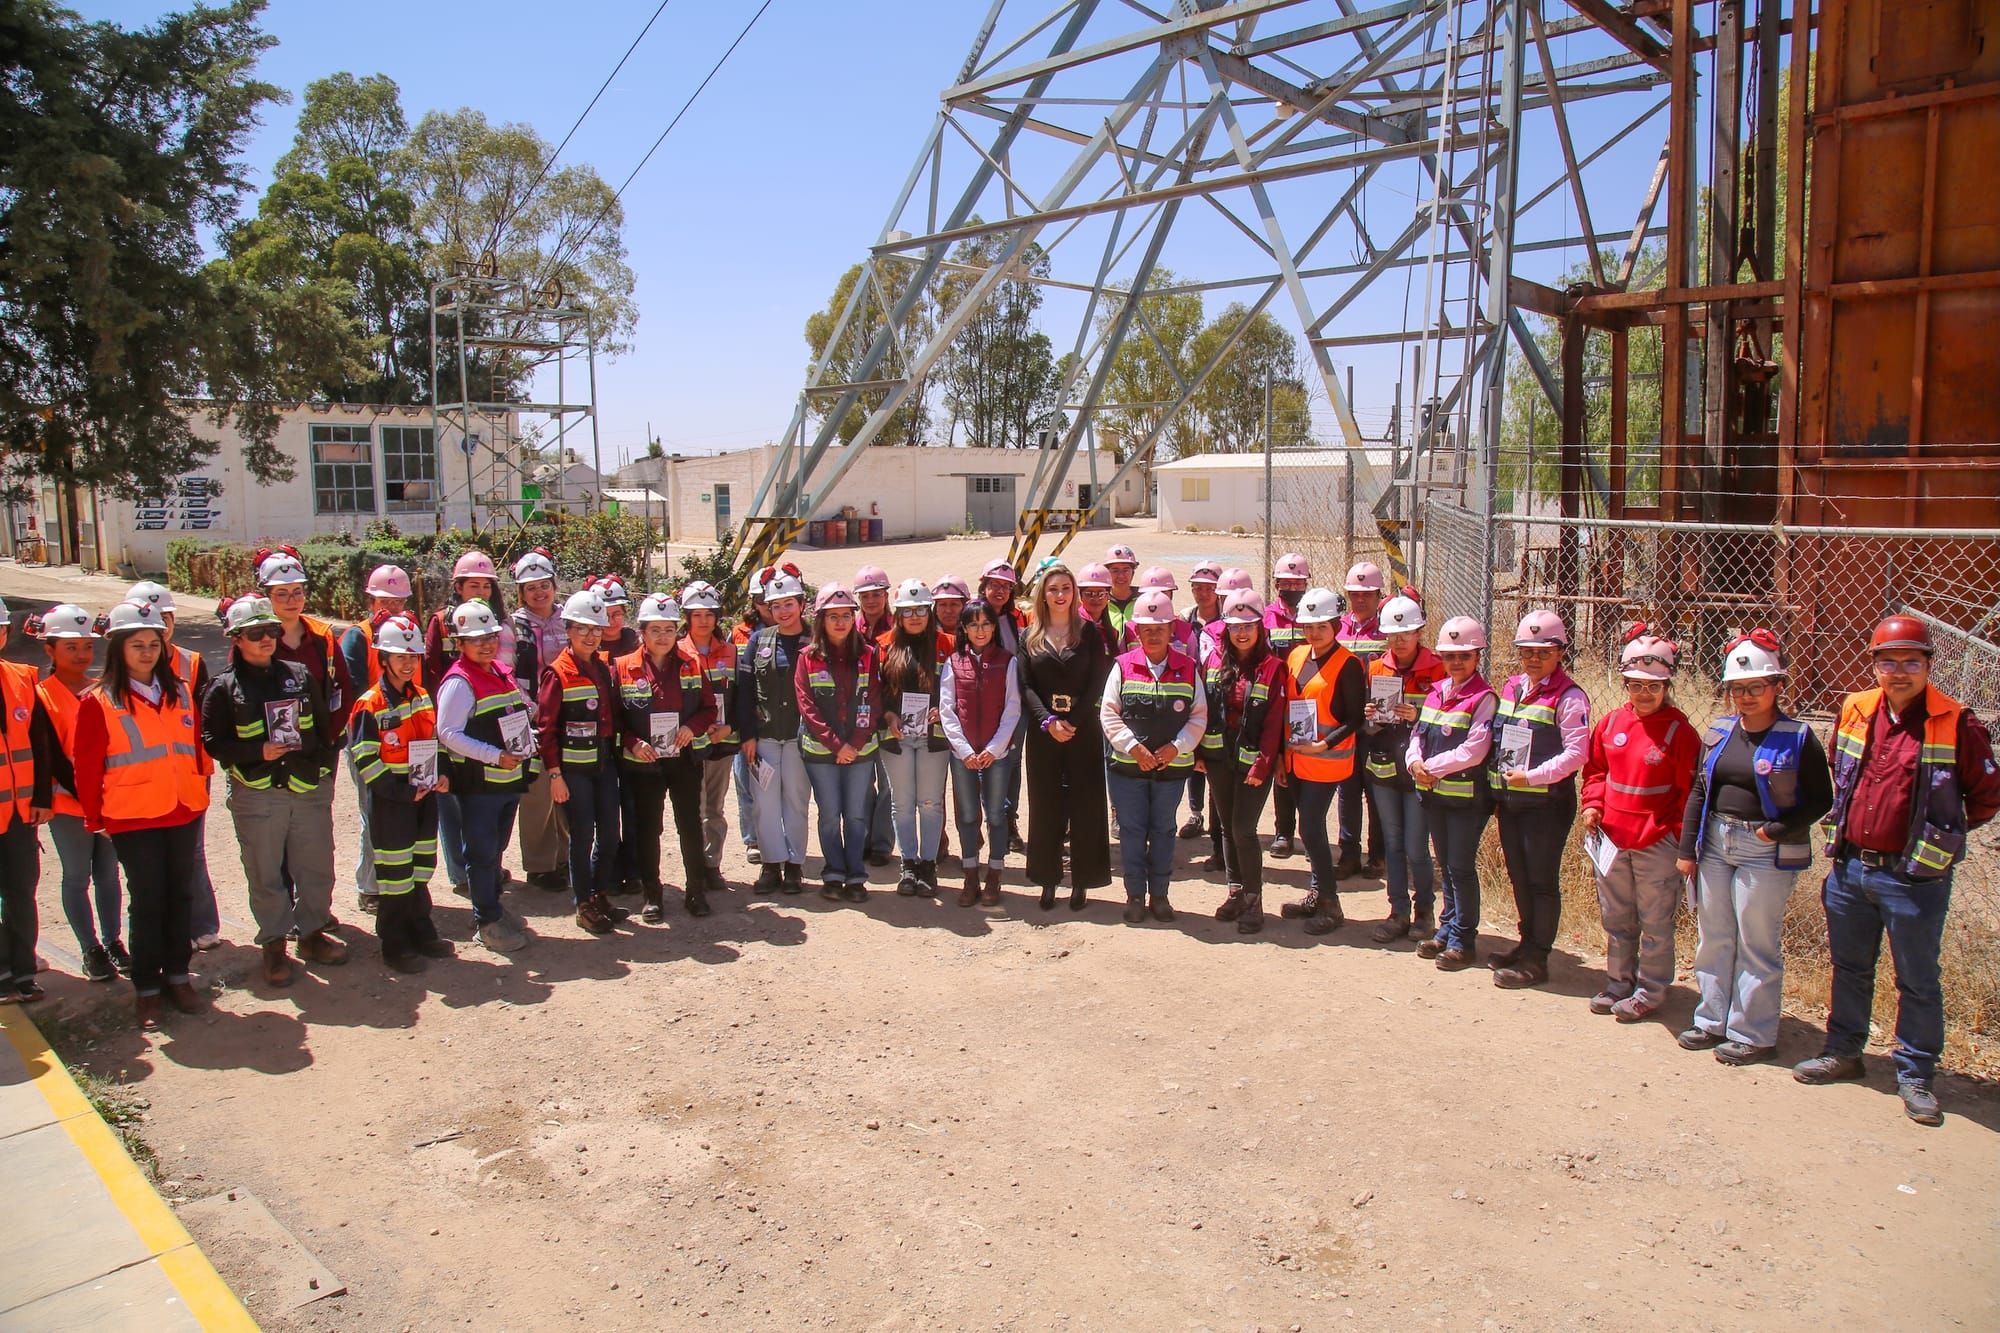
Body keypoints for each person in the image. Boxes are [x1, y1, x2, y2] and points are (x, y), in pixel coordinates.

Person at [1794, 615, 2000, 1125]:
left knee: (1917, 978)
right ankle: (1844, 1052)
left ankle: (1915, 1073)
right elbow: (1842, 779)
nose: (1899, 671)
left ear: (1929, 664)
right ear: (1876, 665)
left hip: (1914, 878)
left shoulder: (1958, 722)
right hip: (1851, 869)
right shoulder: (1856, 709)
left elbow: (1986, 798)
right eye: (1888, 661)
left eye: (1911, 661)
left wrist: (1940, 835)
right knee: (1850, 967)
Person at [1673, 630, 1833, 1063]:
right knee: (1715, 935)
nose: (1745, 696)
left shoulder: (1797, 737)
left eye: (1756, 687)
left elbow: (1822, 799)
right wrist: (1688, 850)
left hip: (1764, 850)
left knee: (1756, 941)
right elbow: (1699, 791)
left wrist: (1775, 831)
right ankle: (1711, 1019)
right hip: (1715, 845)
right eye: (1737, 688)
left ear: (1778, 686)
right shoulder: (1720, 732)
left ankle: (1753, 1032)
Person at [73, 600, 211, 1029]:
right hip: (133, 816)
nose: (148, 651)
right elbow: (87, 765)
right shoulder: (98, 701)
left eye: (154, 643)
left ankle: (178, 976)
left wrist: (198, 787)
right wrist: (96, 819)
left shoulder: (179, 690)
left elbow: (194, 747)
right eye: (137, 644)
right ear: (118, 649)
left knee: (181, 896)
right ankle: (147, 989)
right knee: (148, 901)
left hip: (182, 809)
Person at [202, 596, 345, 987]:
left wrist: (321, 774)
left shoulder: (299, 675)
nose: (266, 639)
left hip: (305, 785)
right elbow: (212, 742)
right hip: (257, 791)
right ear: (236, 638)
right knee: (265, 873)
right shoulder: (222, 688)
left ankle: (312, 934)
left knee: (316, 865)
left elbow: (321, 728)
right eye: (255, 633)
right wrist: (256, 752)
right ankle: (274, 946)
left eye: (271, 631)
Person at [1579, 629, 1699, 1021]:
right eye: (1635, 685)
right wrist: (1593, 807)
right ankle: (1618, 981)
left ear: (1667, 685)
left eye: (1654, 686)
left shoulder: (1680, 732)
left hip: (1656, 843)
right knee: (1616, 915)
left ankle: (1651, 989)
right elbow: (1596, 772)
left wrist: (1681, 842)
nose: (1644, 694)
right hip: (1612, 839)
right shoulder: (1612, 724)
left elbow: (1689, 792)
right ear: (1625, 682)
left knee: (1655, 919)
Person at [1486, 610, 1591, 989]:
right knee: (1518, 876)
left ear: (1560, 652)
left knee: (1541, 880)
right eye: (1527, 651)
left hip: (1546, 804)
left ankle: (1538, 958)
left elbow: (1577, 754)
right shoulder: (1513, 687)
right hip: (1512, 800)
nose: (1534, 658)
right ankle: (1525, 943)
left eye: (1543, 652)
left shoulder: (1570, 697)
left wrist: (1531, 777)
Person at [347, 613, 454, 971]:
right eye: (400, 656)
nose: (408, 663)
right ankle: (394, 943)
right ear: (383, 658)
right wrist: (399, 792)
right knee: (395, 876)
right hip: (393, 803)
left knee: (422, 868)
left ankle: (421, 929)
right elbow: (365, 760)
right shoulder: (370, 704)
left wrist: (442, 775)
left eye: (413, 656)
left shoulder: (423, 695)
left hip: (424, 798)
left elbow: (435, 743)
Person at [435, 601, 536, 954]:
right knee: (480, 852)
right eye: (475, 639)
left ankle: (494, 906)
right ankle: (487, 921)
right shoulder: (460, 682)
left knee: (495, 850)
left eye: (490, 636)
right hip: (480, 785)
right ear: (460, 643)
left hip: (506, 781)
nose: (486, 644)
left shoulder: (498, 670)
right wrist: (495, 756)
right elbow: (447, 733)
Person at [126, 580, 222, 950]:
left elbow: (206, 720)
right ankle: (166, 931)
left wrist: (202, 765)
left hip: (190, 771)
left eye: (165, 617)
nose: (159, 624)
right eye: (151, 617)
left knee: (191, 851)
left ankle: (201, 924)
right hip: (142, 777)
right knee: (150, 860)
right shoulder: (121, 669)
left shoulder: (191, 662)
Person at [1102, 588, 1206, 924]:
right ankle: (1134, 895)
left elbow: (1199, 716)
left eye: (1160, 627)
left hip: (1172, 770)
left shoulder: (1188, 668)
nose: (1154, 633)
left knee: (1162, 830)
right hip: (1128, 769)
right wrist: (1133, 747)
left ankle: (1160, 895)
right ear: (1136, 631)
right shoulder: (1122, 666)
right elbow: (1108, 713)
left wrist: (1177, 746)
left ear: (1172, 629)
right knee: (1132, 831)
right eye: (1146, 628)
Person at [34, 604, 125, 983]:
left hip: (109, 799)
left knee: (108, 874)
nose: (81, 654)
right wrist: (89, 800)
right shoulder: (40, 696)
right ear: (49, 650)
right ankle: (91, 948)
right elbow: (50, 757)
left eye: (86, 646)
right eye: (70, 647)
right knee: (76, 875)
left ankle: (114, 942)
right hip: (69, 804)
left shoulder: (101, 689)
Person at [613, 594, 716, 923]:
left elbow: (709, 708)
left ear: (677, 630)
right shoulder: (622, 667)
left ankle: (695, 891)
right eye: (654, 629)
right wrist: (633, 742)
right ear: (641, 631)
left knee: (689, 825)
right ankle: (652, 894)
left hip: (683, 759)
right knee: (648, 829)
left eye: (669, 629)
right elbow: (615, 720)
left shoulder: (692, 663)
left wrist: (691, 727)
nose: (662, 636)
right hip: (643, 763)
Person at [1019, 561, 1112, 911]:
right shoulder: (1028, 635)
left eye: (1066, 588)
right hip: (1044, 733)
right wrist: (1047, 722)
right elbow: (1026, 685)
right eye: (1053, 588)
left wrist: (1071, 720)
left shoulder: (1088, 632)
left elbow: (1097, 681)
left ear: (1074, 594)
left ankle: (1083, 882)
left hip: (1082, 729)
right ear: (1043, 594)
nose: (1060, 595)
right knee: (1046, 806)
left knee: (1085, 806)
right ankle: (1047, 880)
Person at [1408, 616, 1498, 969]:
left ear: (1477, 657)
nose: (1456, 663)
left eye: (1464, 656)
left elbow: (1474, 749)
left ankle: (1464, 939)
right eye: (1449, 656)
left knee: (1460, 868)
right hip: (1435, 796)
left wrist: (1431, 768)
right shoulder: (1436, 693)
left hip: (1466, 801)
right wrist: (1414, 762)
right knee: (1446, 865)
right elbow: (1417, 735)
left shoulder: (1484, 698)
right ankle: (1446, 930)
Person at [536, 589, 625, 934]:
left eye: (596, 629)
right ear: (569, 630)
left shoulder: (603, 668)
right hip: (573, 770)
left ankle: (600, 893)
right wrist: (555, 774)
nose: (591, 635)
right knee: (582, 834)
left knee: (609, 833)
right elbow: (546, 729)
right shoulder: (556, 673)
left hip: (603, 763)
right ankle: (583, 903)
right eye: (583, 628)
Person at [1361, 592, 1446, 942]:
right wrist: (1368, 718)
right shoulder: (1377, 667)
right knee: (1392, 843)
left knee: (1415, 846)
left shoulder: (1438, 668)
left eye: (1406, 633)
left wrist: (1420, 716)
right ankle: (1397, 911)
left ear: (1420, 632)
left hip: (1418, 771)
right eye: (1393, 635)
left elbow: (1449, 720)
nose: (1399, 640)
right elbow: (1364, 727)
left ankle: (1424, 911)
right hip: (1382, 768)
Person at [1282, 586, 1365, 936]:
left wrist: (1324, 743)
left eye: (1321, 626)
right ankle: (1317, 893)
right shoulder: (1297, 656)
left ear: (1336, 625)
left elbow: (1355, 718)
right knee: (1309, 826)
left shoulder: (1348, 664)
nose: (1314, 633)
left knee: (1310, 827)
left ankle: (1331, 903)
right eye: (1309, 627)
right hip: (1296, 759)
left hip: (1327, 761)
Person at [1202, 590, 1286, 934]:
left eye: (1249, 626)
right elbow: (1203, 711)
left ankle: (1254, 900)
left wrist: (1263, 765)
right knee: (1224, 825)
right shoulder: (1213, 663)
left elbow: (1274, 723)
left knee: (1243, 829)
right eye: (1235, 626)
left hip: (1253, 764)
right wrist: (1198, 756)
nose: (1242, 633)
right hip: (1219, 759)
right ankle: (1235, 892)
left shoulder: (1274, 669)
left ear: (1260, 628)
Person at [797, 584, 881, 902]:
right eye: (833, 616)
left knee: (856, 814)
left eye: (846, 615)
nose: (841, 622)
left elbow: (872, 701)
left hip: (860, 752)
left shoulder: (869, 655)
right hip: (821, 753)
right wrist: (837, 745)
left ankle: (856, 875)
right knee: (830, 814)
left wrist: (855, 744)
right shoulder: (807, 658)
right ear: (821, 620)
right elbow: (808, 708)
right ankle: (833, 873)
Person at [338, 563, 413, 915]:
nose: (394, 607)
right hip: (370, 738)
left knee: (402, 814)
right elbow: (353, 691)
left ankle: (401, 883)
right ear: (371, 599)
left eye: (400, 601)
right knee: (373, 813)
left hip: (406, 738)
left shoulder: (407, 631)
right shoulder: (358, 636)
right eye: (387, 600)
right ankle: (370, 885)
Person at [940, 601, 1020, 907]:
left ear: (994, 627)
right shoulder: (954, 662)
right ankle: (970, 873)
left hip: (995, 754)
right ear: (964, 629)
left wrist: (993, 749)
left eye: (986, 624)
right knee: (968, 815)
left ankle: (995, 873)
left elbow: (1012, 709)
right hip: (964, 756)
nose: (980, 630)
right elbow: (947, 709)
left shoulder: (1007, 661)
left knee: (997, 815)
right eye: (973, 625)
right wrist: (963, 750)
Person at [739, 572, 814, 895]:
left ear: (801, 605)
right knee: (764, 803)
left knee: (796, 801)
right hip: (766, 735)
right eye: (777, 605)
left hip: (800, 737)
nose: (784, 611)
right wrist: (747, 734)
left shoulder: (814, 638)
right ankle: (771, 865)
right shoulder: (759, 640)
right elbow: (744, 690)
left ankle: (795, 866)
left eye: (789, 604)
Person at [879, 580, 951, 898]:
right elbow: (871, 691)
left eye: (921, 609)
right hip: (896, 737)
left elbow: (958, 687)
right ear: (898, 613)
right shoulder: (883, 645)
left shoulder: (947, 643)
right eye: (908, 611)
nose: (915, 616)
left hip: (933, 737)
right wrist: (887, 715)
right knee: (902, 804)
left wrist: (943, 710)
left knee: (931, 803)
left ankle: (928, 865)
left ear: (929, 611)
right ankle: (908, 864)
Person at [509, 548, 571, 895]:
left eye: (544, 584)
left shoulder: (569, 619)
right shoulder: (512, 626)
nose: (539, 592)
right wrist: (532, 708)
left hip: (571, 718)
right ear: (521, 592)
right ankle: (539, 865)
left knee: (565, 790)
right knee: (536, 795)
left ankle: (563, 858)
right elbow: (507, 674)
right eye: (531, 587)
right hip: (531, 718)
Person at [0, 599, 53, 1004]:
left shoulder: (21, 680)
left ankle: (22, 969)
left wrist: (41, 798)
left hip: (20, 813)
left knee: (22, 891)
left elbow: (40, 745)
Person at [679, 580, 741, 893]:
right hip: (689, 745)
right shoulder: (677, 651)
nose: (704, 620)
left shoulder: (730, 651)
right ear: (686, 617)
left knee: (714, 808)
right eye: (696, 614)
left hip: (721, 743)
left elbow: (741, 697)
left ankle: (712, 863)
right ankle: (695, 867)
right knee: (692, 807)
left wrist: (730, 729)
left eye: (709, 614)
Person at [1336, 562, 1388, 878]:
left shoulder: (1388, 630)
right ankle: (1348, 854)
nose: (1360, 600)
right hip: (1345, 722)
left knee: (1377, 790)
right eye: (1354, 594)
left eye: (1367, 594)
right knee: (1348, 791)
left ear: (1379, 595)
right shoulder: (1339, 627)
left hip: (1379, 725)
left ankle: (1378, 854)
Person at [1179, 559, 1226, 858]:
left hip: (1217, 697)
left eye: (1209, 588)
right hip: (1189, 695)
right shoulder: (1185, 621)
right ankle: (1196, 813)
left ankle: (1217, 820)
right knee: (1191, 757)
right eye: (1197, 587)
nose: (1203, 593)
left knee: (1215, 760)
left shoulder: (1228, 620)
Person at [1264, 556, 1309, 860]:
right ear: (1276, 584)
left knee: (1308, 767)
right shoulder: (1266, 617)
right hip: (1279, 701)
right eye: (1286, 582)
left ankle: (1310, 834)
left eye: (1298, 582)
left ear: (1307, 584)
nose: (1292, 587)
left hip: (1311, 701)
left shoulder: (1315, 613)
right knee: (1282, 765)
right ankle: (1284, 832)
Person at [853, 565, 897, 868]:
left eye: (876, 595)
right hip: (857, 719)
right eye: (865, 596)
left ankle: (882, 844)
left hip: (889, 716)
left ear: (886, 595)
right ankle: (863, 840)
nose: (871, 601)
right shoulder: (848, 628)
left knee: (888, 784)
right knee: (861, 784)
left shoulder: (899, 629)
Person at [587, 576, 640, 662]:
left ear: (624, 613)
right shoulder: (585, 648)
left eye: (617, 614)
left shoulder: (637, 644)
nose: (610, 621)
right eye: (605, 616)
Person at [1101, 542, 1141, 639]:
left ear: (1133, 573)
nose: (1121, 576)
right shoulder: (1100, 602)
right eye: (1115, 571)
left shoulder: (1143, 601)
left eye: (1126, 570)